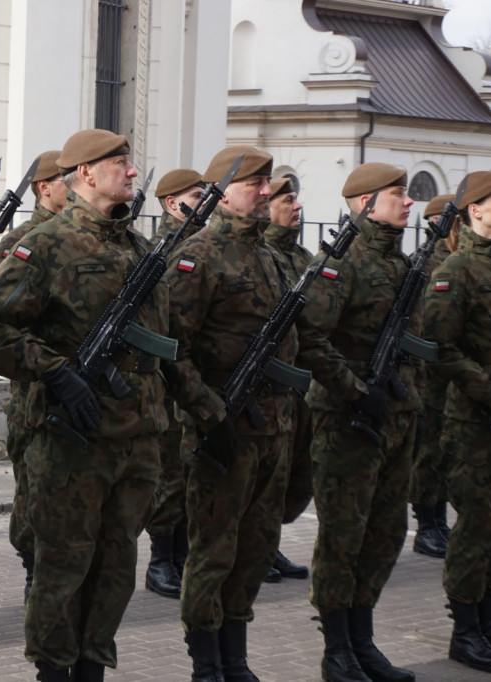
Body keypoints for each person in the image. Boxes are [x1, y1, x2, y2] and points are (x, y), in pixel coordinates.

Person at [0, 129, 201, 681]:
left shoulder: (140, 249)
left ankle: (93, 669)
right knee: (62, 570)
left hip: (136, 438)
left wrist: (202, 407)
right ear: (85, 174)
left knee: (116, 570)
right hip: (71, 438)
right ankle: (54, 672)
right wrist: (53, 370)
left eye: (130, 162)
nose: (131, 171)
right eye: (119, 163)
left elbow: (163, 342)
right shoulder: (46, 244)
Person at [168, 146, 297, 682]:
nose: (266, 192)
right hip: (222, 430)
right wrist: (209, 414)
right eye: (255, 183)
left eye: (269, 183)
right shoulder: (199, 254)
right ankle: (206, 664)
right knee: (215, 550)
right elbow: (172, 347)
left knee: (257, 547)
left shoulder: (267, 254)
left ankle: (235, 656)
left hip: (273, 430)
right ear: (223, 191)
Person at [297, 162, 419, 682]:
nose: (409, 203)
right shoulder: (339, 264)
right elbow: (310, 337)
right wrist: (354, 390)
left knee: (386, 533)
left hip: (395, 416)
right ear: (367, 202)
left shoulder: (402, 264)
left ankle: (363, 640)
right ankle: (337, 649)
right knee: (343, 536)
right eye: (398, 194)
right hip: (347, 421)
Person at [423, 171, 491, 675]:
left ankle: (489, 617)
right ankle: (465, 630)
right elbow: (440, 350)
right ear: (474, 210)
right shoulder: (456, 270)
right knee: (479, 525)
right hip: (473, 421)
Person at [0, 149, 65, 602]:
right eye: (65, 179)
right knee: (33, 490)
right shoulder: (23, 241)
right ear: (44, 187)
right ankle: (34, 568)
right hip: (35, 388)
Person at [143, 168, 206, 599]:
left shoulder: (205, 244)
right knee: (169, 473)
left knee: (188, 472)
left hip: (195, 375)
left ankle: (181, 554)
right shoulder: (162, 248)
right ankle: (160, 559)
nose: (206, 203)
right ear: (171, 203)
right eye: (198, 196)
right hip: (167, 379)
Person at [262, 177, 312, 584]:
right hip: (263, 387)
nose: (297, 207)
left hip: (297, 385)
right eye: (288, 200)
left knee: (292, 475)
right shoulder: (264, 255)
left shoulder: (303, 257)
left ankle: (269, 543)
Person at [411, 193, 455, 559]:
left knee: (443, 451)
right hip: (429, 374)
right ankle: (426, 525)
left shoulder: (454, 261)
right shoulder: (425, 264)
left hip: (448, 372)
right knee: (429, 451)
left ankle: (439, 521)